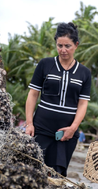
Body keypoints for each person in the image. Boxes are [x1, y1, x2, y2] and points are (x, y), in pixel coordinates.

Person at [24, 22, 91, 177]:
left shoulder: (84, 73)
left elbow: (83, 103)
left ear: (76, 45)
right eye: (59, 45)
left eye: (67, 46)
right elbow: (33, 94)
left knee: (57, 176)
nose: (63, 50)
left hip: (66, 134)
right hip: (41, 128)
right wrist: (29, 123)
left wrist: (73, 128)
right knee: (33, 172)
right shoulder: (45, 64)